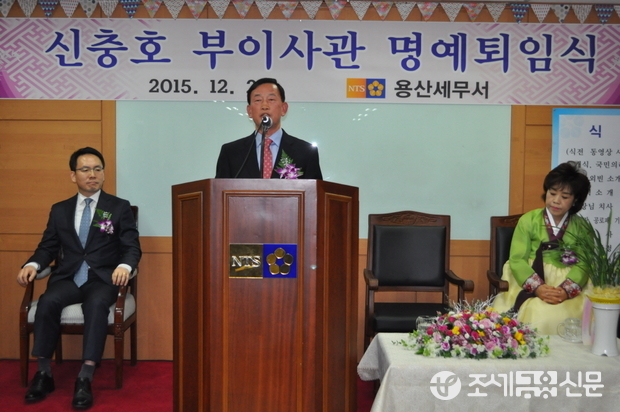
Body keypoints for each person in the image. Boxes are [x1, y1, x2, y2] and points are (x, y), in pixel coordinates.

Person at [16, 147, 141, 409]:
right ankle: (43, 374)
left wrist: (124, 266)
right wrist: (33, 264)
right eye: (85, 169)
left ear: (103, 173)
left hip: (102, 278)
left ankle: (85, 377)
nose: (92, 174)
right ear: (74, 175)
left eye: (97, 169)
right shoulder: (60, 210)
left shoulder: (118, 207)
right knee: (47, 302)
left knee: (95, 305)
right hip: (69, 277)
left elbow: (131, 246)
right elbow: (48, 246)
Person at [493, 161, 591, 335]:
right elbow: (517, 259)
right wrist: (538, 287)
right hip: (531, 276)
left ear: (575, 199)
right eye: (552, 193)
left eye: (565, 197)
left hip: (567, 281)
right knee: (538, 312)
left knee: (572, 313)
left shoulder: (582, 227)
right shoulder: (528, 220)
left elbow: (584, 263)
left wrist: (565, 291)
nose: (556, 201)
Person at [215, 77, 323, 179]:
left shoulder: (305, 152)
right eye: (258, 100)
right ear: (249, 111)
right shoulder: (231, 152)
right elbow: (219, 190)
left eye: (271, 99)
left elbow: (315, 191)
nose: (264, 106)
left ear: (283, 109)